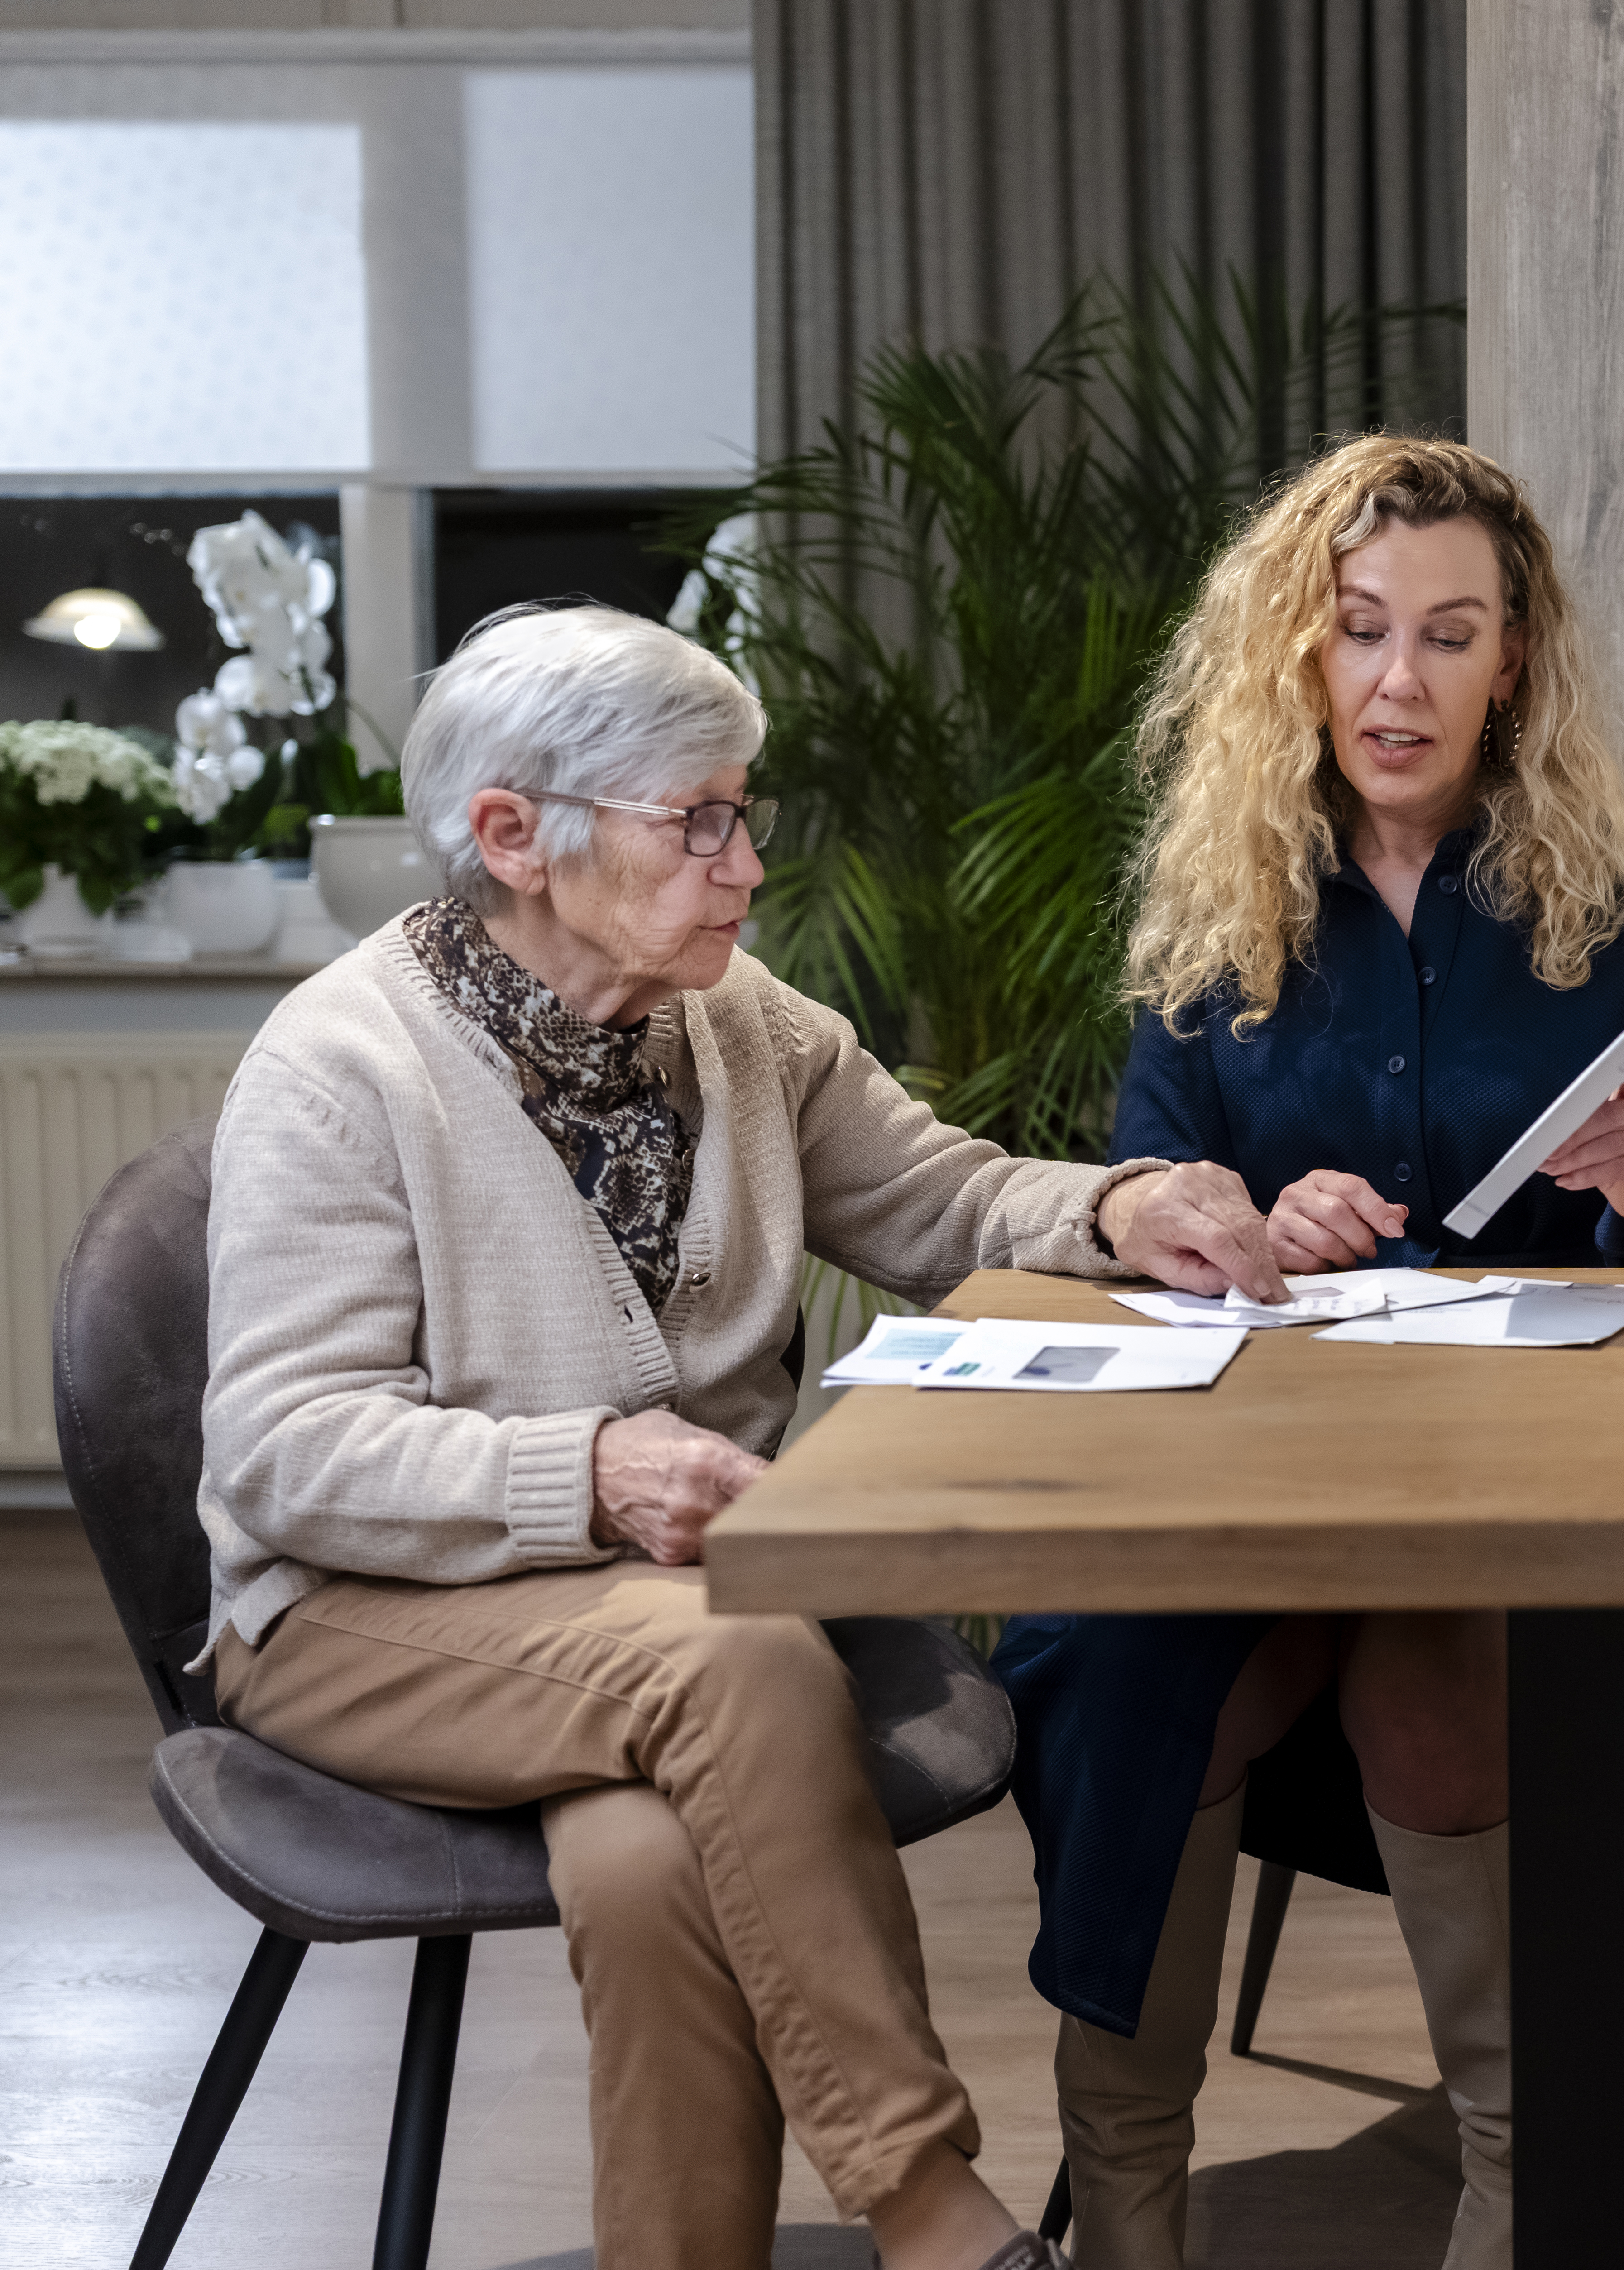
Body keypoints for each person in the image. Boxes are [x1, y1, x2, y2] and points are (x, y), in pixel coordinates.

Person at [197, 603, 1285, 2270]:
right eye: (694, 823)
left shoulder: (741, 1025)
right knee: (748, 1663)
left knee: (645, 1867)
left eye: (743, 812)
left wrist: (1126, 1205)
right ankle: (933, 2210)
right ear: (513, 836)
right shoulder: (341, 1069)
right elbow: (285, 1450)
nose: (746, 866)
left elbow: (943, 1199)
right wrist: (595, 1473)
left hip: (648, 1611)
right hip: (361, 1613)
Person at [996, 437, 1624, 2269]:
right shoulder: (1221, 903)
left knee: (1443, 1645)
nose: (1397, 681)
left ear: (1513, 658)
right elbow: (1148, 1190)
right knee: (1124, 1646)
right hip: (1263, 1465)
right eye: (1358, 632)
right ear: (1299, 650)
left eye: (1447, 634)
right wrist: (1242, 1229)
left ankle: (1517, 2195)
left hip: (1526, 1481)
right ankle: (1125, 2205)